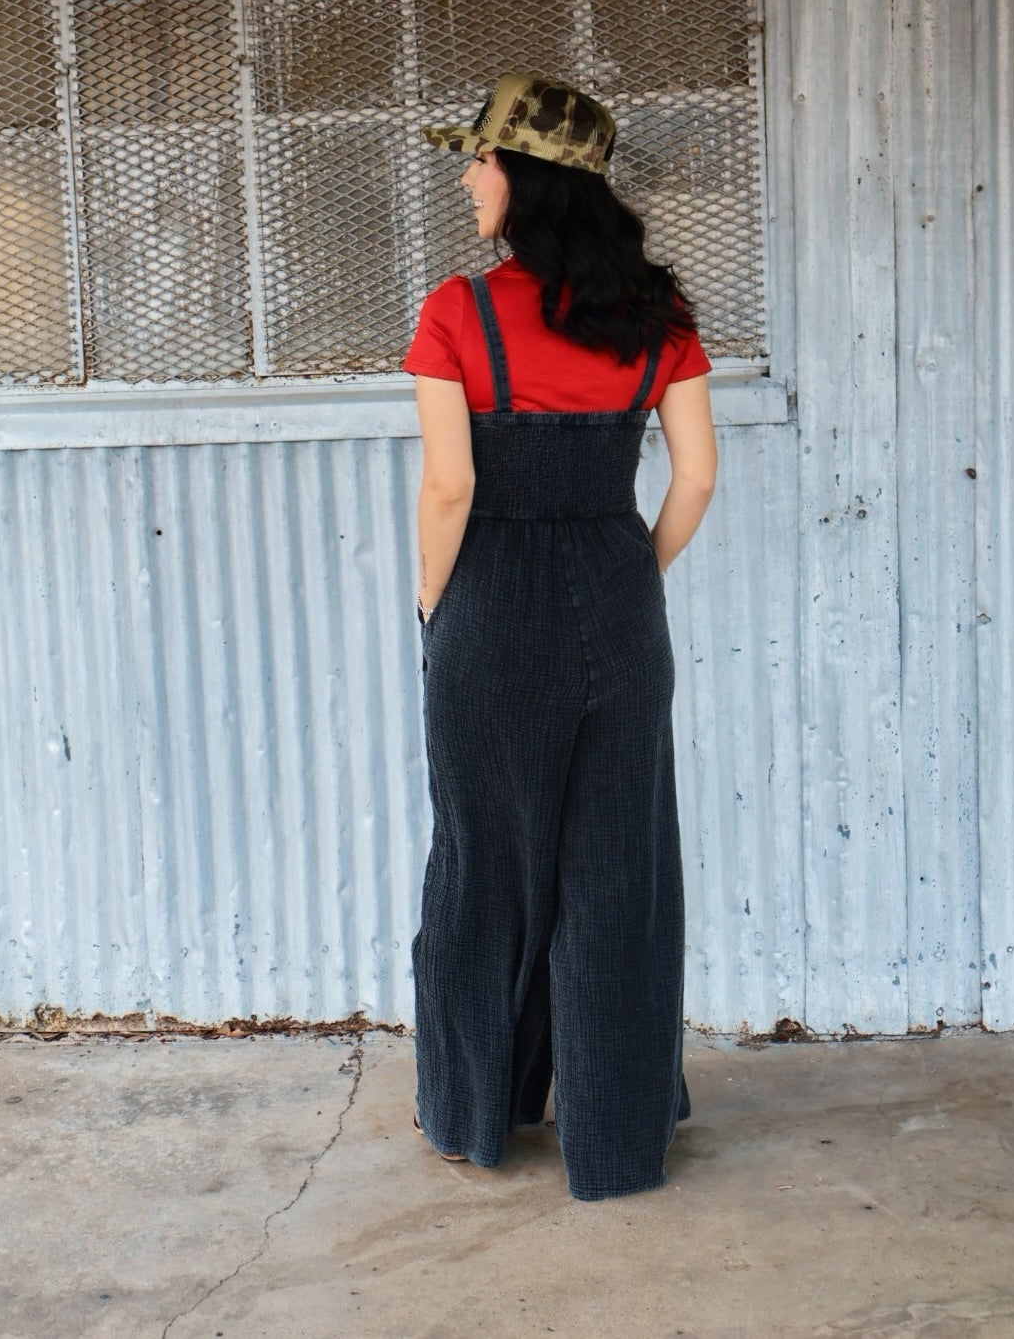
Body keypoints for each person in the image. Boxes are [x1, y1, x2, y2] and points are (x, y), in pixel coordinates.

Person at [403, 73, 717, 1201]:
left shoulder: (457, 311)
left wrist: (434, 606)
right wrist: (632, 576)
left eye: (482, 158)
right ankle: (618, 1139)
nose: (469, 177)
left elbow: (451, 487)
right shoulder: (659, 313)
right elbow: (696, 479)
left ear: (526, 178)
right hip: (619, 605)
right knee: (618, 873)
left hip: (491, 608)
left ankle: (472, 1117)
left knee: (484, 871)